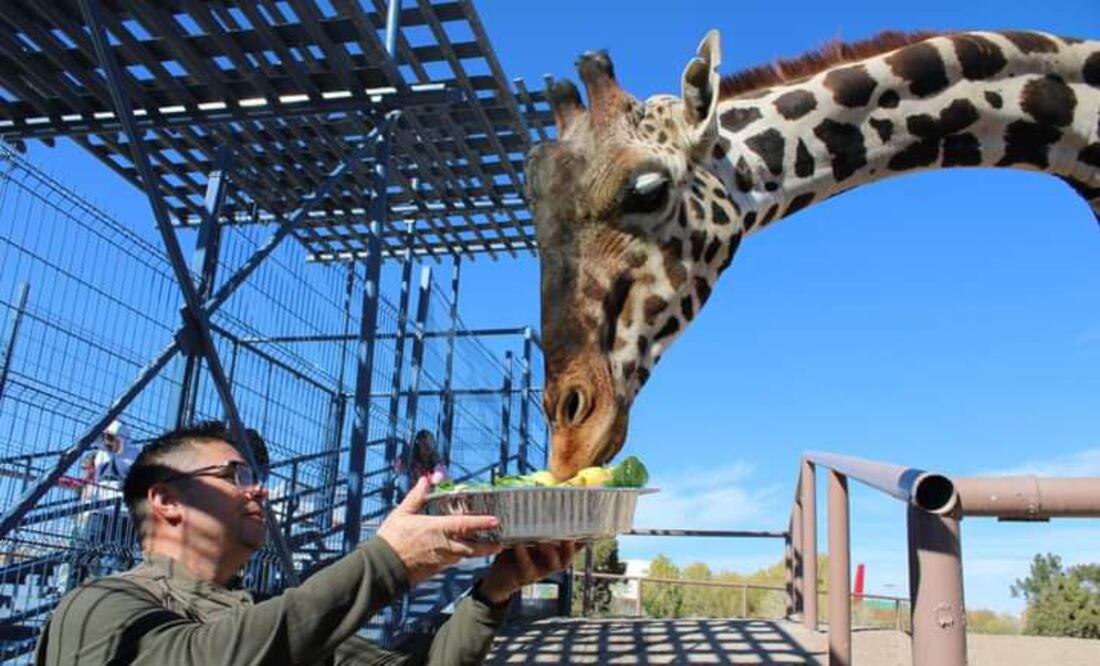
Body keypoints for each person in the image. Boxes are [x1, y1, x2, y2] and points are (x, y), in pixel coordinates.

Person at [36, 421, 576, 665]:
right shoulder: (100, 609)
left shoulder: (270, 618)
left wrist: (491, 595)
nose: (260, 487)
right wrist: (389, 562)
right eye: (236, 472)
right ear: (167, 501)